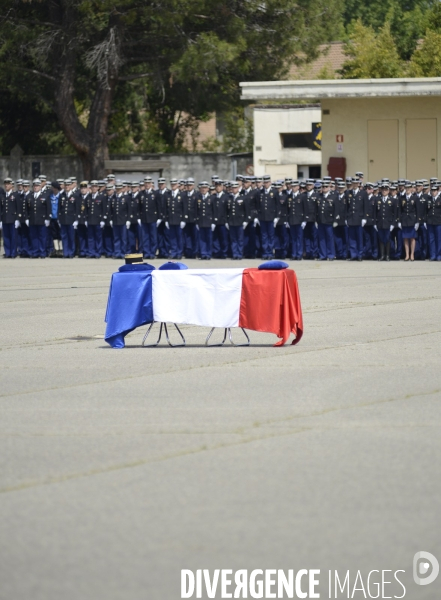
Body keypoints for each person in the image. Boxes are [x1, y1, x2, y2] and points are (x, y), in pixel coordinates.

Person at [375, 183, 398, 261]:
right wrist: (375, 223)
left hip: (388, 223)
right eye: (383, 190)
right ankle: (382, 255)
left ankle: (388, 255)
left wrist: (393, 224)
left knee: (388, 239)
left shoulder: (392, 200)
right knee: (381, 239)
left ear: (388, 191)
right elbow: (375, 213)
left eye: (386, 190)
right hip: (380, 223)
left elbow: (395, 213)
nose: (384, 191)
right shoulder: (378, 200)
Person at [258, 175, 278, 260]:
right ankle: (265, 252)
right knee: (264, 236)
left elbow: (277, 205)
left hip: (271, 217)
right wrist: (258, 217)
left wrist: (277, 217)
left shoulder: (274, 192)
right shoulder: (261, 192)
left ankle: (270, 252)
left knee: (271, 235)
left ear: (270, 182)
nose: (265, 184)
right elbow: (258, 205)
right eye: (264, 182)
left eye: (267, 182)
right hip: (263, 217)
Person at [28, 178, 50, 258]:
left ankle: (42, 252)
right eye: (34, 186)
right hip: (32, 220)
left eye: (37, 186)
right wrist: (27, 218)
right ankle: (35, 252)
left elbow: (48, 208)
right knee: (34, 237)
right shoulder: (29, 196)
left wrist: (48, 219)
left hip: (42, 219)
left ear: (40, 186)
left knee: (42, 237)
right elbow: (27, 209)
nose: (36, 187)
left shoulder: (45, 196)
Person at [139, 177, 160, 259]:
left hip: (153, 218)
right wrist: (139, 217)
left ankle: (152, 252)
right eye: (146, 183)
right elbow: (139, 207)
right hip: (144, 218)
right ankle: (146, 252)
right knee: (145, 237)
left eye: (149, 183)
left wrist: (159, 217)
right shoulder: (141, 194)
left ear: (151, 184)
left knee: (153, 237)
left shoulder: (155, 194)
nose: (147, 185)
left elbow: (158, 206)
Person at [227, 181, 247, 259]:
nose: (234, 189)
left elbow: (246, 210)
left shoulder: (243, 197)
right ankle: (235, 253)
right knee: (233, 239)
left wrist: (245, 221)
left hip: (240, 221)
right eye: (233, 188)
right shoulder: (229, 198)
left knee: (240, 239)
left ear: (238, 188)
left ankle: (240, 253)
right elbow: (226, 211)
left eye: (235, 188)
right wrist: (227, 221)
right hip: (232, 221)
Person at [316, 181, 336, 260]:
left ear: (329, 187)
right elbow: (316, 209)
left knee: (329, 238)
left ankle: (331, 255)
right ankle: (322, 255)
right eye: (323, 187)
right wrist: (316, 220)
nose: (324, 188)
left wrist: (335, 220)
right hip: (320, 220)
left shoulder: (333, 196)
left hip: (329, 220)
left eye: (326, 187)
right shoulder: (319, 196)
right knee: (321, 239)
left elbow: (336, 209)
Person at [400, 182, 419, 261]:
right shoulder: (402, 198)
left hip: (412, 220)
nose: (407, 190)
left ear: (411, 189)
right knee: (405, 238)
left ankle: (412, 254)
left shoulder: (415, 198)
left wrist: (417, 221)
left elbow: (418, 210)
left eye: (409, 188)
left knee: (412, 238)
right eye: (406, 188)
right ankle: (407, 255)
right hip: (404, 220)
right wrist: (399, 221)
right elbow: (400, 210)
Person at [0, 177, 19, 258]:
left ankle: (13, 253)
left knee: (13, 237)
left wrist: (17, 219)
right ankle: (7, 253)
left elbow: (18, 208)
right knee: (6, 237)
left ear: (12, 185)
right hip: (5, 219)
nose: (6, 186)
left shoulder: (15, 195)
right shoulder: (3, 196)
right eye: (5, 184)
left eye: (8, 184)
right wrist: (0, 220)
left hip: (13, 219)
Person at [166, 178, 184, 259]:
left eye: (174, 184)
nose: (173, 186)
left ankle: (179, 252)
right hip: (171, 219)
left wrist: (183, 220)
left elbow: (184, 208)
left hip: (179, 219)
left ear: (177, 185)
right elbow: (166, 208)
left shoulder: (182, 195)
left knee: (179, 237)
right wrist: (166, 220)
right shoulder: (168, 194)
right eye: (172, 185)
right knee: (172, 237)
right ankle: (173, 252)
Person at [58, 179, 77, 258]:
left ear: (71, 186)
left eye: (68, 185)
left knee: (71, 237)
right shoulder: (61, 195)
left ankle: (71, 252)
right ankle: (65, 252)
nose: (67, 187)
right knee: (64, 237)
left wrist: (76, 220)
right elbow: (59, 208)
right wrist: (59, 219)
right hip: (63, 219)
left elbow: (76, 208)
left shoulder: (74, 195)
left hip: (71, 220)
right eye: (66, 185)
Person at [286, 180, 304, 260]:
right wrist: (287, 220)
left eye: (294, 186)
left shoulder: (302, 197)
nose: (293, 188)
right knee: (293, 238)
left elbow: (305, 209)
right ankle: (294, 254)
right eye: (292, 186)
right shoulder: (289, 196)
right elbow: (287, 209)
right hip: (292, 220)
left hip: (299, 220)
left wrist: (304, 220)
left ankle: (299, 254)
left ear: (298, 187)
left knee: (299, 238)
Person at [182, 178, 199, 259]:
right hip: (186, 220)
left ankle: (194, 252)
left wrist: (197, 219)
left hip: (194, 220)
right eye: (187, 185)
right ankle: (188, 252)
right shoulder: (183, 195)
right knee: (187, 237)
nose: (188, 187)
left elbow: (197, 208)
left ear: (193, 186)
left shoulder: (197, 195)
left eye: (190, 185)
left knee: (194, 237)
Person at [212, 179, 229, 259]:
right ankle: (217, 252)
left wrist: (226, 221)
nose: (218, 188)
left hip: (223, 221)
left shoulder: (226, 197)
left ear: (222, 187)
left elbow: (227, 210)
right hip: (215, 222)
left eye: (219, 186)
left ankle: (224, 253)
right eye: (216, 186)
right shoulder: (213, 197)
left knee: (224, 238)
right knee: (215, 238)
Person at [197, 181, 214, 259]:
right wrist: (196, 221)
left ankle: (208, 253)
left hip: (209, 222)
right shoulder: (198, 198)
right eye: (202, 188)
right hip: (201, 222)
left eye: (205, 188)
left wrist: (214, 222)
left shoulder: (211, 198)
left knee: (209, 239)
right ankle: (203, 253)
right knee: (202, 239)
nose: (203, 189)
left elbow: (214, 211)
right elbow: (196, 211)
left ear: (208, 189)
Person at [427, 184, 441, 261]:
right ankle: (433, 255)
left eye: (435, 191)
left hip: (438, 222)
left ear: (437, 191)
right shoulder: (429, 200)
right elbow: (426, 211)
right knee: (431, 239)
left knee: (438, 239)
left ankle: (439, 255)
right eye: (432, 191)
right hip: (430, 222)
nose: (433, 192)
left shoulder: (440, 199)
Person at [48, 181, 62, 257]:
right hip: (52, 218)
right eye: (53, 188)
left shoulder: (61, 196)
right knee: (54, 234)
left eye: (56, 188)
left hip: (59, 218)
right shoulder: (50, 196)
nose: (54, 189)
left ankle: (61, 249)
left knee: (60, 233)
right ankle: (56, 249)